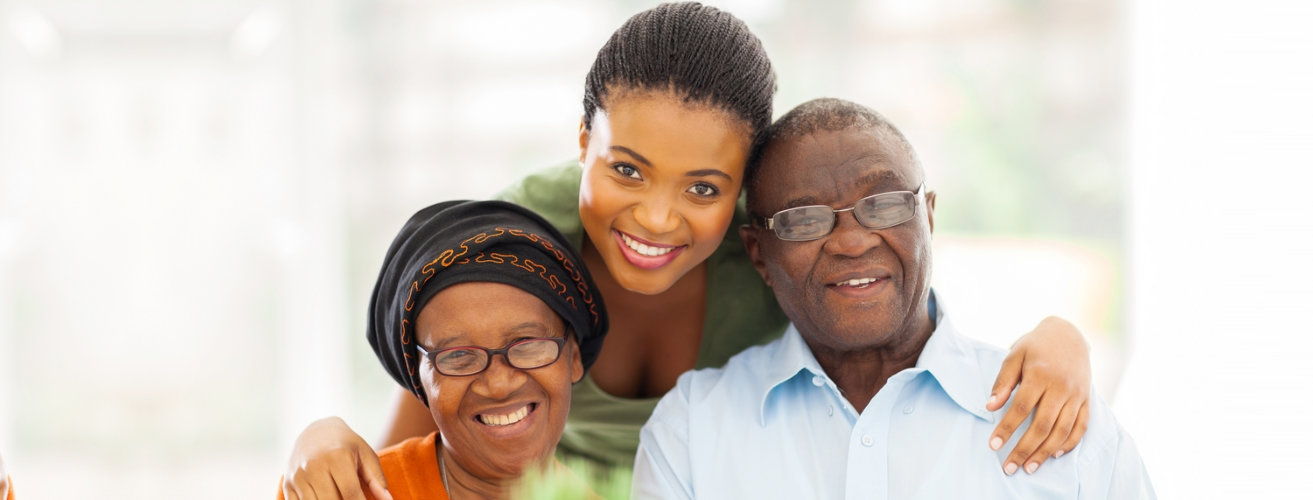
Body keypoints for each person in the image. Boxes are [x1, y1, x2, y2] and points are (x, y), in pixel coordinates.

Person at [282, 3, 1095, 498]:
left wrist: (1060, 339)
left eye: (703, 188)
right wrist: (321, 437)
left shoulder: (772, 256)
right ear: (581, 145)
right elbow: (422, 442)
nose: (657, 219)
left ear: (744, 196)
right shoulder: (522, 243)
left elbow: (891, 323)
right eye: (627, 170)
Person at [633, 98, 1154, 498]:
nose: (852, 240)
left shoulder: (1055, 414)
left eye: (883, 203)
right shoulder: (692, 431)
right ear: (759, 255)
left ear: (927, 216)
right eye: (804, 219)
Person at [280, 200, 608, 500]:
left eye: (528, 345)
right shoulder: (342, 491)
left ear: (573, 356)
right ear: (419, 381)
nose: (499, 384)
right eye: (458, 356)